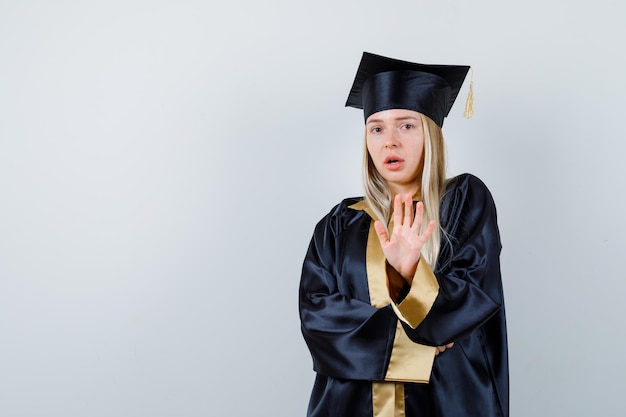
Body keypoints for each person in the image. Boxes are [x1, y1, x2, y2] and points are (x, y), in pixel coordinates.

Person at [299, 52, 508, 417]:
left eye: (406, 125)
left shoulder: (463, 202)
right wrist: (415, 345)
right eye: (376, 128)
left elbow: (473, 296)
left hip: (446, 402)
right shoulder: (339, 224)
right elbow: (318, 317)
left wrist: (411, 274)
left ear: (431, 133)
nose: (389, 141)